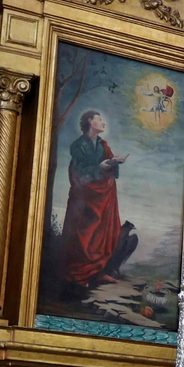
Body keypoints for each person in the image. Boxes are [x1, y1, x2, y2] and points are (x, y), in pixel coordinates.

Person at [60, 109, 131, 298]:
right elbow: (80, 172)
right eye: (99, 119)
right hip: (85, 196)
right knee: (84, 234)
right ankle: (78, 276)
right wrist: (99, 167)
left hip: (104, 196)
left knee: (104, 232)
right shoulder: (78, 145)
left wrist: (113, 162)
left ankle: (98, 272)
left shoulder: (102, 144)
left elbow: (109, 166)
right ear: (90, 121)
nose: (103, 123)